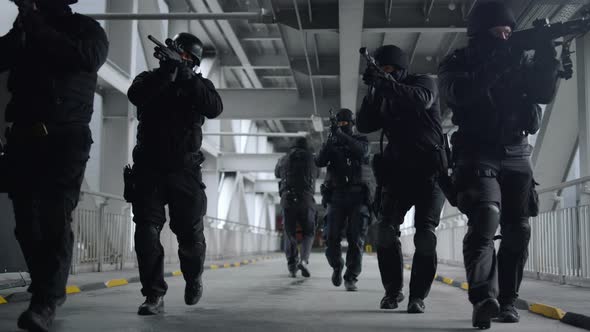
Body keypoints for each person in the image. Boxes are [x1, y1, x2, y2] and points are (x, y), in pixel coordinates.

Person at [438, 1, 560, 329]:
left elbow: (543, 93)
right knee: (485, 217)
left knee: (518, 230)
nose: (505, 38)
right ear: (479, 33)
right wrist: (498, 62)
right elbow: (458, 94)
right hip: (478, 153)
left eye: (509, 32)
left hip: (518, 152)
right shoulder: (458, 61)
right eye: (498, 32)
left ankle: (507, 301)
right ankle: (483, 298)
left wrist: (547, 59)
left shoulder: (520, 59)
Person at [0, 0, 108, 330]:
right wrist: (21, 26)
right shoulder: (25, 30)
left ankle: (45, 301)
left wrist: (33, 24)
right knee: (26, 224)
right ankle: (46, 285)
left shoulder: (85, 29)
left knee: (54, 216)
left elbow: (86, 58)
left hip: (65, 139)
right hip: (24, 139)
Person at [126, 32, 223, 316]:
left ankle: (193, 277)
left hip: (185, 171)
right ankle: (153, 295)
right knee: (145, 233)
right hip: (149, 170)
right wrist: (166, 74)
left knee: (190, 237)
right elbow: (136, 96)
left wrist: (183, 75)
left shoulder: (198, 84)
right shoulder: (148, 79)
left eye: (182, 56)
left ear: (191, 61)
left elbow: (214, 107)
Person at [357, 44, 445, 313]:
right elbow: (364, 125)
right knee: (384, 232)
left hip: (430, 173)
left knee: (425, 236)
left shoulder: (422, 82)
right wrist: (372, 93)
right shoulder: (382, 93)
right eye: (382, 70)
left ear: (402, 69)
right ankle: (392, 292)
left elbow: (420, 100)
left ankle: (417, 296)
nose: (387, 74)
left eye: (391, 69)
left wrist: (383, 84)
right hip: (397, 173)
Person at [315, 109, 371, 292]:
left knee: (356, 238)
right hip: (336, 195)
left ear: (352, 124)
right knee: (330, 237)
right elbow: (319, 161)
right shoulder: (333, 142)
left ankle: (351, 277)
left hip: (357, 196)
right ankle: (337, 266)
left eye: (345, 124)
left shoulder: (361, 141)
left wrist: (340, 135)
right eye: (339, 124)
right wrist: (331, 140)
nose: (342, 127)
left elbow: (362, 152)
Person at [275, 137, 319, 277]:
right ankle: (304, 260)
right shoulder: (312, 159)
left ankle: (292, 266)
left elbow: (276, 174)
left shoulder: (283, 159)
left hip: (287, 198)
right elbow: (317, 174)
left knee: (289, 233)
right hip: (306, 199)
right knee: (309, 232)